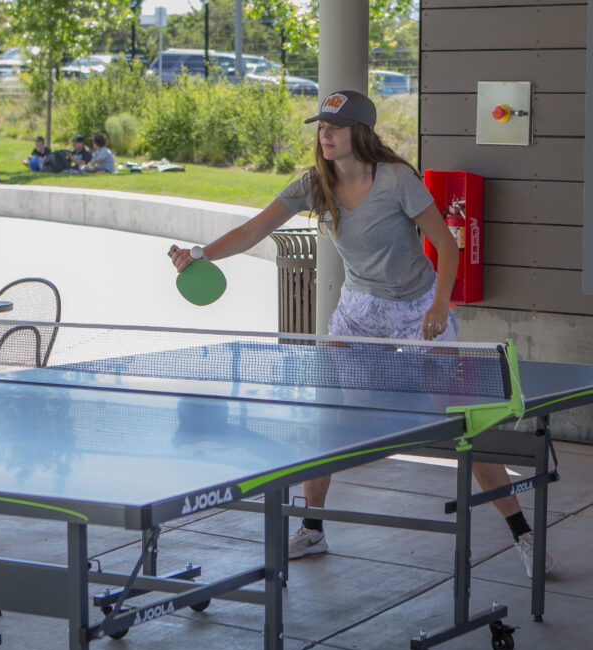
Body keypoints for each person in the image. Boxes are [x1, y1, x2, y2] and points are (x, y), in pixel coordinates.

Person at [168, 89, 555, 579]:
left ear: (360, 132)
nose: (324, 135)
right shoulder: (315, 183)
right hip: (356, 311)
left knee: (464, 425)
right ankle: (313, 528)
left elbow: (446, 244)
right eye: (321, 127)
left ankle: (522, 534)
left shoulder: (397, 180)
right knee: (324, 415)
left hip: (417, 309)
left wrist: (440, 303)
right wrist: (201, 255)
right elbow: (252, 231)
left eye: (334, 126)